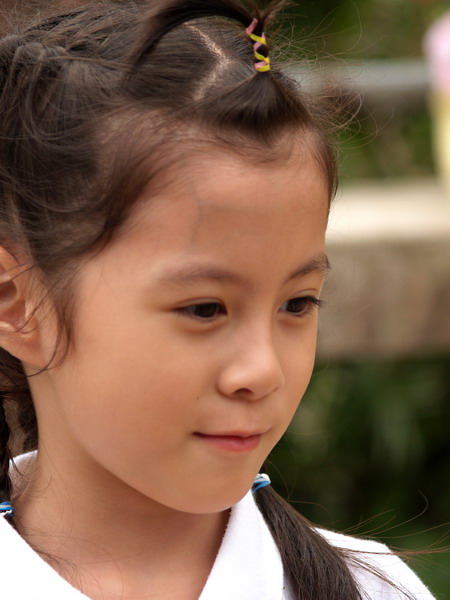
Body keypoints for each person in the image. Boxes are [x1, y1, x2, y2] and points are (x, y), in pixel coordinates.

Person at [0, 1, 436, 598]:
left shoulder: (371, 589)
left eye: (298, 304)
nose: (262, 371)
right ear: (17, 304)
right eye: (205, 309)